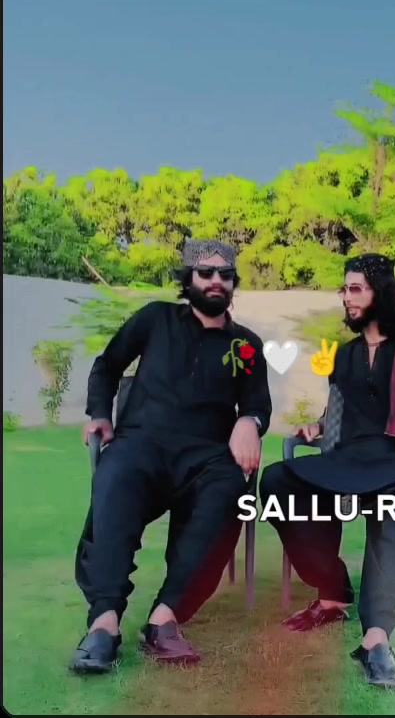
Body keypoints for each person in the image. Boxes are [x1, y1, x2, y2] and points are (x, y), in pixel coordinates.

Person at [259, 253, 395, 691]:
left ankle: (376, 637)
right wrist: (318, 427)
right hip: (350, 458)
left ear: (382, 294)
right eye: (345, 289)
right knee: (279, 481)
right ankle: (332, 591)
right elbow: (337, 417)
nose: (347, 298)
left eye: (356, 289)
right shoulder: (344, 356)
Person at [71, 239, 272, 675]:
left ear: (233, 283)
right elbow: (108, 365)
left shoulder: (246, 344)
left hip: (207, 456)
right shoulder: (155, 318)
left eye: (225, 274)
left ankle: (165, 618)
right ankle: (104, 621)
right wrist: (100, 414)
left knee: (230, 493)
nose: (216, 281)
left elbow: (258, 401)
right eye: (206, 273)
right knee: (115, 478)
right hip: (141, 444)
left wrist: (249, 421)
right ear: (189, 278)